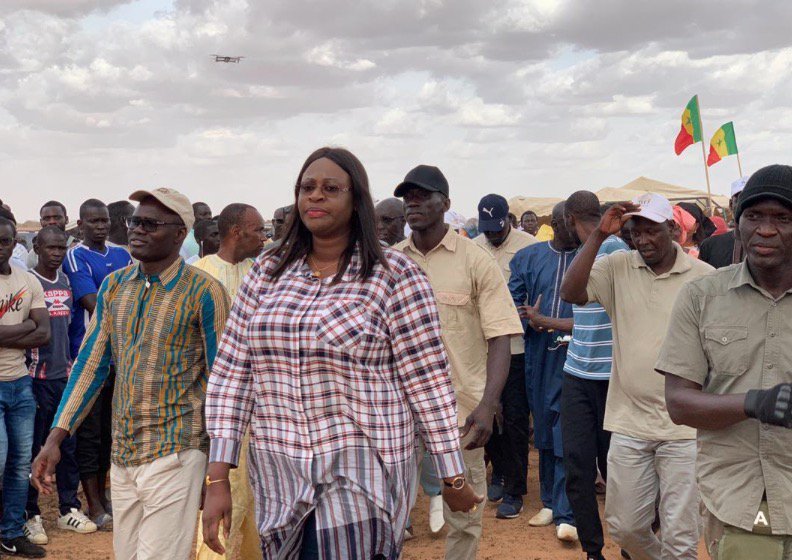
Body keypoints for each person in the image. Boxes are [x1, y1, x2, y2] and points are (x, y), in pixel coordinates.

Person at [201, 148, 478, 560]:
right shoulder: (267, 272)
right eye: (307, 188)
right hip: (280, 472)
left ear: (356, 200)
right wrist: (217, 477)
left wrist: (452, 476)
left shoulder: (395, 277)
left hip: (362, 469)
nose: (316, 196)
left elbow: (428, 382)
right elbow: (232, 374)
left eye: (331, 188)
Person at [32, 188, 230, 560]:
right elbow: (90, 366)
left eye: (150, 223)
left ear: (179, 234)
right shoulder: (115, 286)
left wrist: (217, 474)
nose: (137, 229)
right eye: (135, 221)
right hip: (122, 455)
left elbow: (224, 382)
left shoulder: (205, 292)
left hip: (177, 452)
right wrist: (55, 438)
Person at [560, 193, 713, 560]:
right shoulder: (617, 267)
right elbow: (570, 292)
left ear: (673, 229)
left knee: (681, 537)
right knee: (625, 527)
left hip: (685, 426)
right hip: (629, 421)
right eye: (636, 232)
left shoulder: (705, 278)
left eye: (652, 230)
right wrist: (598, 234)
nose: (643, 239)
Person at [657, 164, 792, 560]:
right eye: (754, 216)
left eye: (782, 218)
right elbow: (679, 403)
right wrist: (753, 403)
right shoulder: (701, 297)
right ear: (738, 222)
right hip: (739, 501)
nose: (765, 229)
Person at [394, 165, 522, 560]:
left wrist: (488, 404)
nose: (412, 203)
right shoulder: (390, 262)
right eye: (407, 197)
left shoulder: (475, 260)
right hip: (394, 412)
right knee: (389, 509)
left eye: (422, 195)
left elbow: (500, 334)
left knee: (464, 513)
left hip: (460, 410)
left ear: (445, 204)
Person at [194, 203, 267, 560]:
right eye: (258, 231)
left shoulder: (264, 275)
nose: (264, 237)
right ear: (237, 233)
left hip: (265, 403)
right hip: (218, 403)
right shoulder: (198, 274)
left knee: (257, 494)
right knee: (226, 489)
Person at [561, 191, 629, 560]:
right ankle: (593, 551)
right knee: (578, 467)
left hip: (611, 377)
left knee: (616, 469)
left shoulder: (614, 248)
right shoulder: (587, 252)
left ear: (572, 218)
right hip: (576, 373)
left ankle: (630, 543)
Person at [509, 202, 578, 542]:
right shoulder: (529, 257)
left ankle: (566, 509)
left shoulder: (593, 258)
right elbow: (514, 299)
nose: (570, 225)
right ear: (557, 221)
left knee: (566, 427)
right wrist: (530, 320)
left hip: (577, 353)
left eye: (574, 220)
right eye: (564, 219)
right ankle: (550, 500)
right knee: (545, 427)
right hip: (539, 352)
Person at [25, 227, 97, 547]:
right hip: (35, 380)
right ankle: (31, 515)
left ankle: (68, 509)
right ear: (37, 248)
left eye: (60, 247)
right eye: (49, 247)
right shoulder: (29, 283)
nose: (56, 253)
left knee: (67, 446)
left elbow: (73, 331)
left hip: (64, 379)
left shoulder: (67, 283)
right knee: (34, 448)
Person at [62, 198, 132, 529]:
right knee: (89, 435)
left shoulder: (122, 254)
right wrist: (128, 307)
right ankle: (93, 503)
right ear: (81, 225)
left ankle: (105, 496)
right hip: (89, 357)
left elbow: (140, 293)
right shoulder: (77, 256)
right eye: (93, 221)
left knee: (109, 433)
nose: (101, 226)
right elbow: (93, 303)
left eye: (104, 220)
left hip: (122, 358)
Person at [473, 194, 537, 520]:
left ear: (508, 221)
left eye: (497, 230)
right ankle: (497, 471)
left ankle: (514, 489)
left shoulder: (528, 246)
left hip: (516, 349)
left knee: (513, 419)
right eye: (487, 231)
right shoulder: (475, 248)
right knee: (487, 415)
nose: (492, 236)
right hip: (483, 349)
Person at [0, 216, 50, 558]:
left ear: (14, 241)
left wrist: (6, 335)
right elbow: (33, 328)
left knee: (20, 464)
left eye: (4, 240)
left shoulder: (26, 279)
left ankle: (12, 532)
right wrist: (26, 325)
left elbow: (44, 332)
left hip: (20, 384)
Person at [699, 177, 748, 268]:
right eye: (739, 198)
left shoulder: (771, 243)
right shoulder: (710, 246)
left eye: (749, 198)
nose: (744, 203)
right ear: (730, 204)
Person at [26, 201, 72, 269]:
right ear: (41, 222)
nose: (52, 222)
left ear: (67, 219)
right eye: (47, 218)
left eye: (57, 218)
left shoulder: (78, 249)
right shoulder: (34, 254)